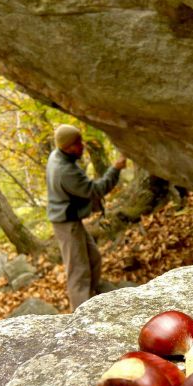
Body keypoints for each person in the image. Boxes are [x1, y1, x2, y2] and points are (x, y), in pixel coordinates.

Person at [46, 124, 126, 310]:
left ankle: (92, 297)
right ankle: (82, 314)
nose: (82, 146)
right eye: (77, 143)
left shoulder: (57, 155)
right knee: (78, 271)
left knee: (93, 257)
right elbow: (95, 190)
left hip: (69, 218)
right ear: (67, 146)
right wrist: (115, 168)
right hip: (66, 223)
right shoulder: (65, 170)